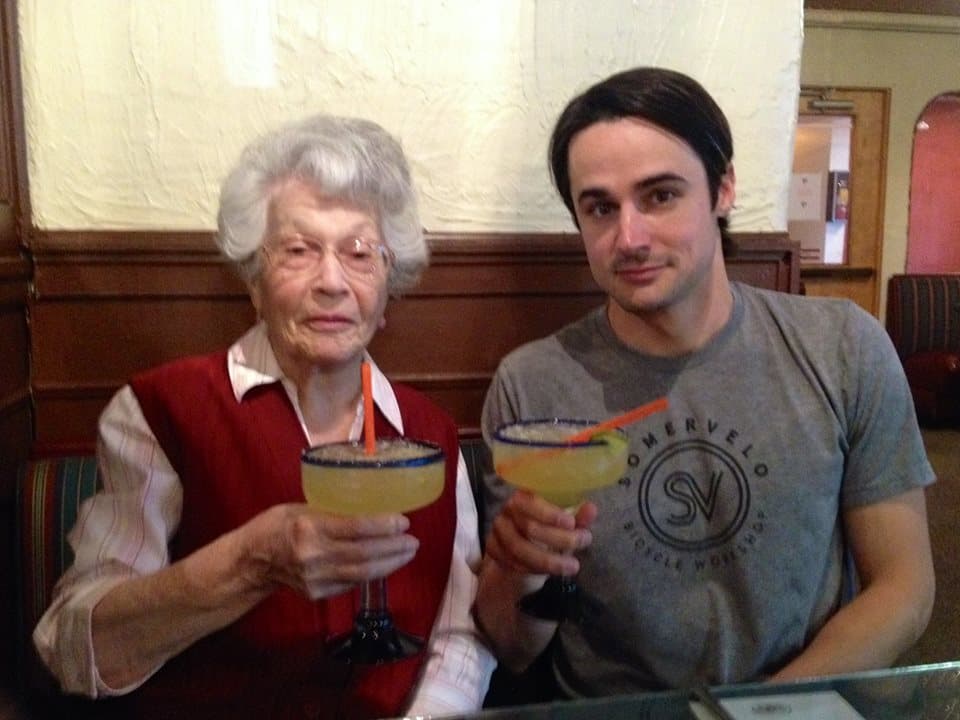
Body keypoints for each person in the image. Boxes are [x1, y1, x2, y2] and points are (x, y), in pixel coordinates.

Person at [475, 67, 935, 698]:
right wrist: (517, 573)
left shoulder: (842, 346)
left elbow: (905, 587)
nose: (629, 237)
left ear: (722, 190)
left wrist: (762, 712)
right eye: (600, 208)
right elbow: (511, 646)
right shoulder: (532, 386)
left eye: (660, 195)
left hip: (800, 705)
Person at [34, 114, 494, 719]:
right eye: (298, 251)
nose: (332, 281)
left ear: (389, 288)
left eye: (360, 253)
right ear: (253, 280)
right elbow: (76, 649)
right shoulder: (160, 411)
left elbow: (459, 638)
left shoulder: (430, 432)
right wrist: (252, 562)